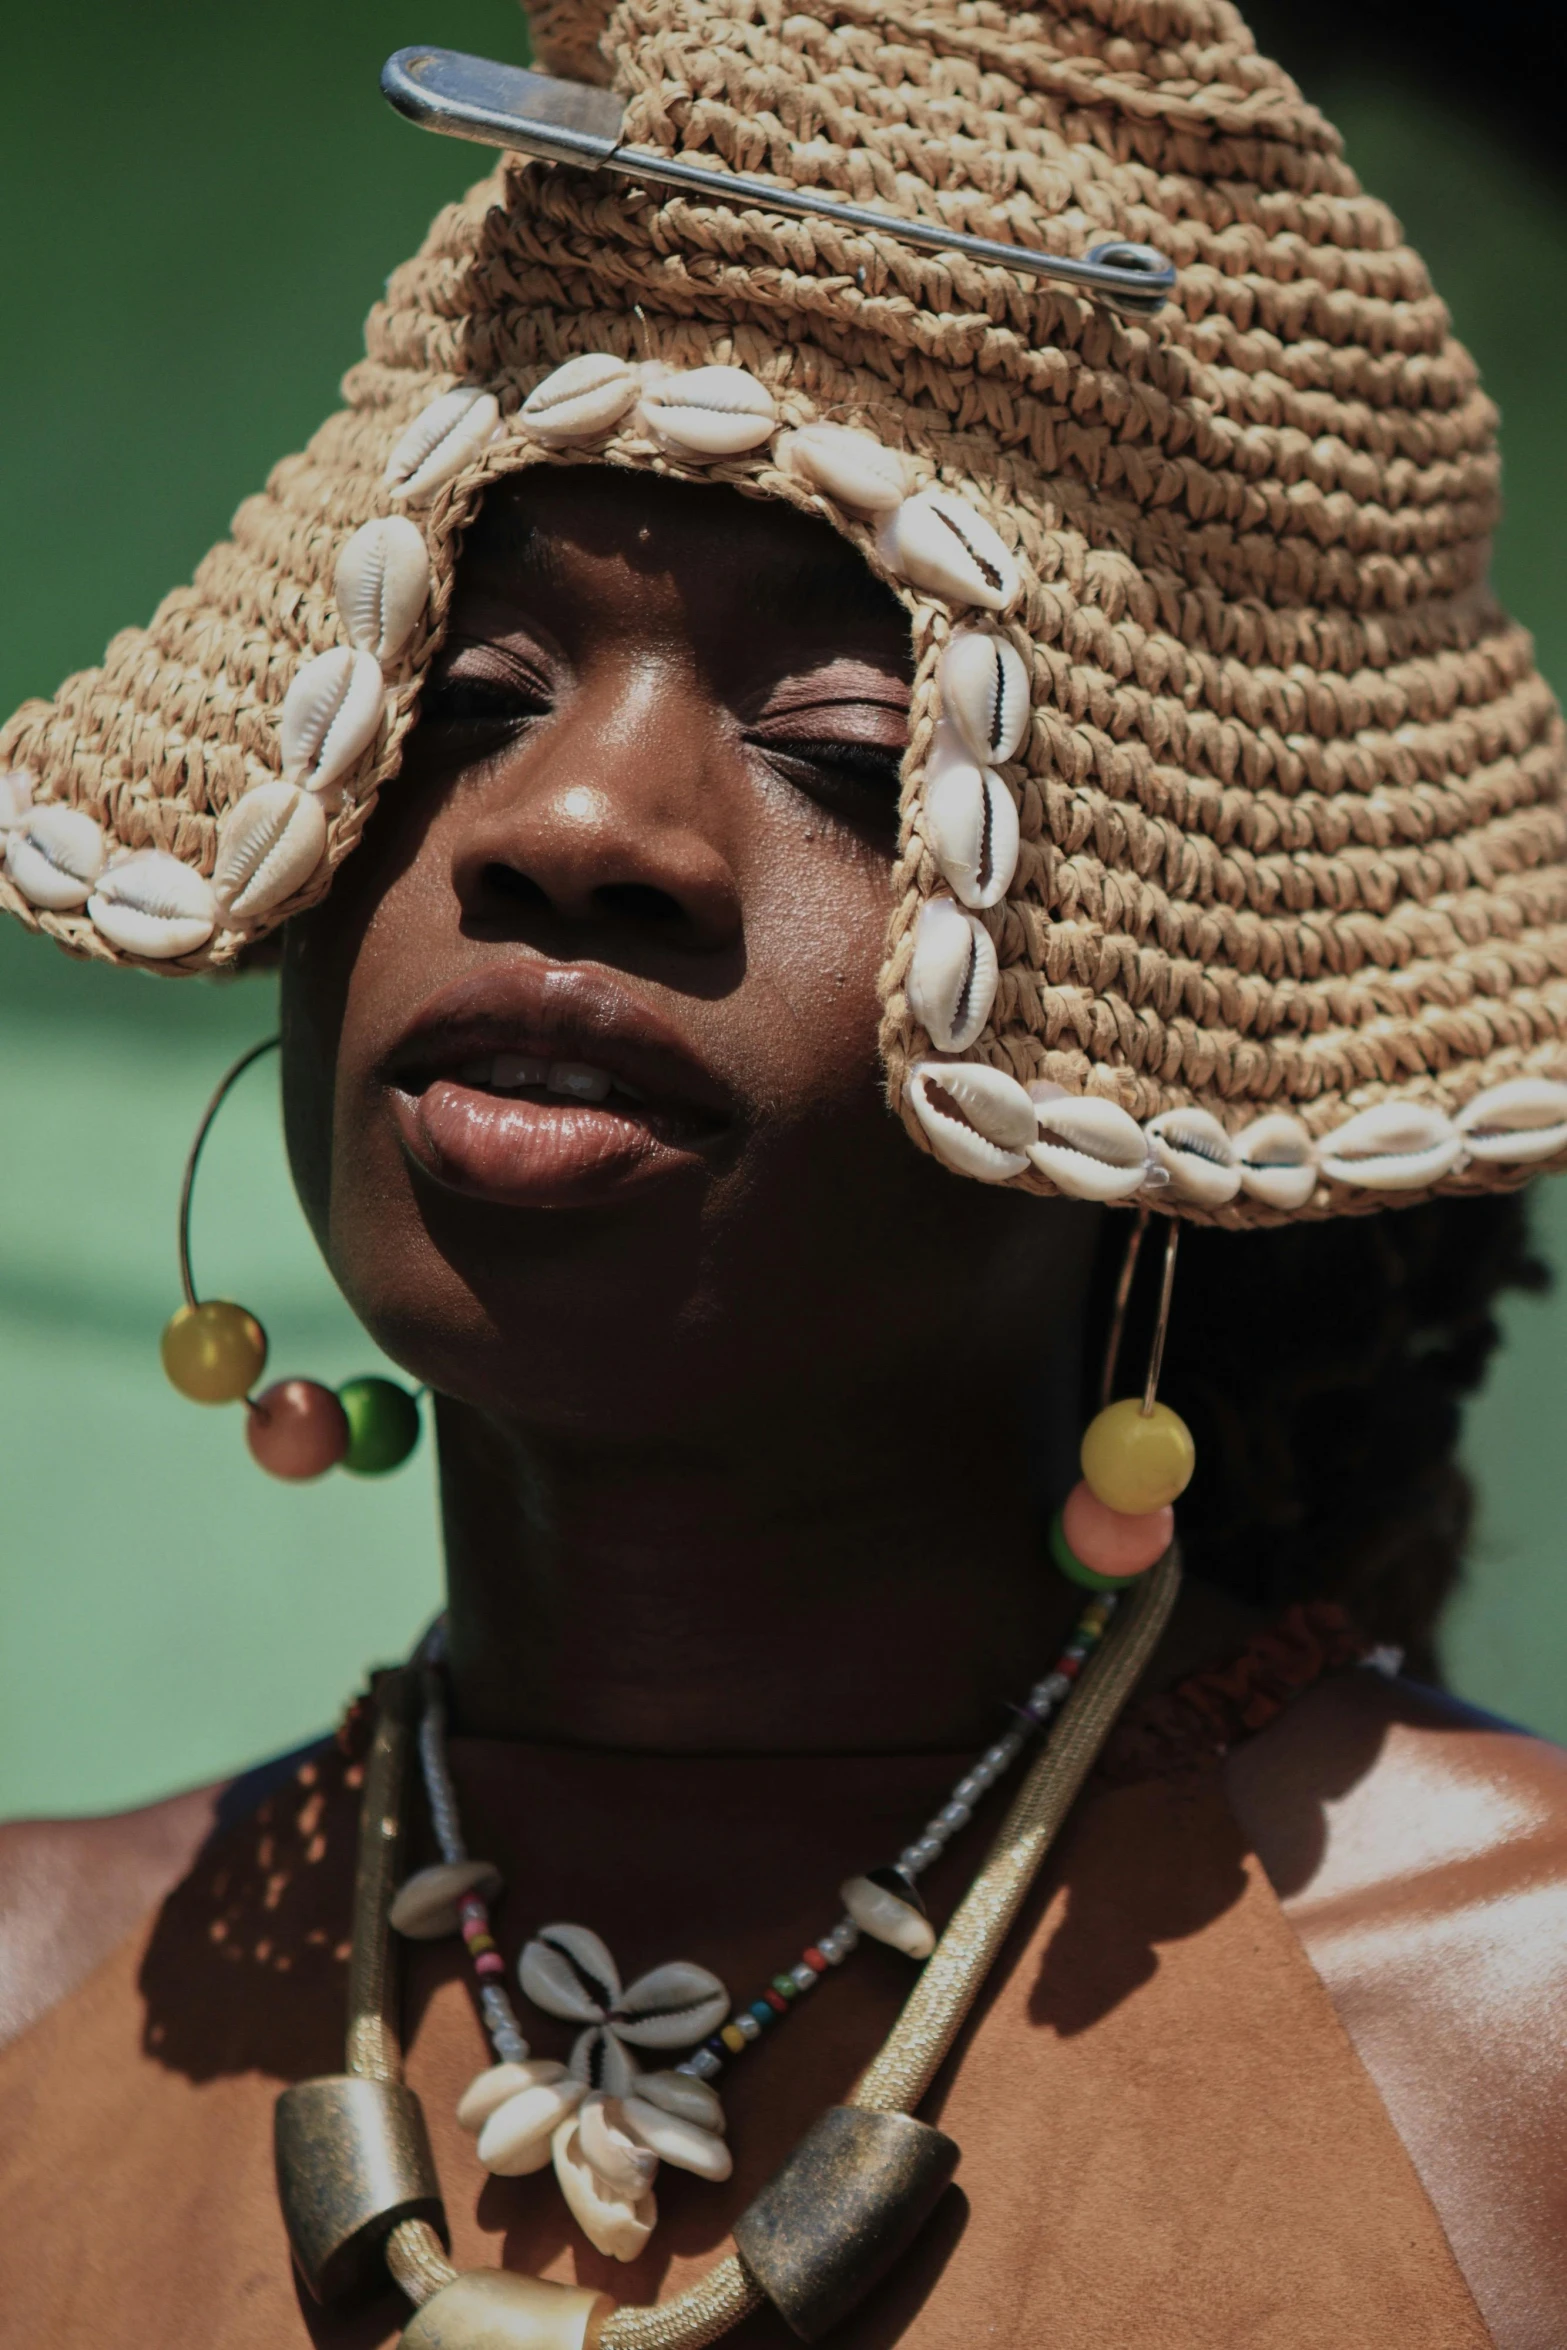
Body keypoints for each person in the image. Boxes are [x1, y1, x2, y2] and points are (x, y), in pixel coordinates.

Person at [2, 3, 1566, 2345]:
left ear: (1185, 1051)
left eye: (849, 749)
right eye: (462, 698)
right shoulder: (39, 1996)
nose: (568, 829)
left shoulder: (1518, 2038)